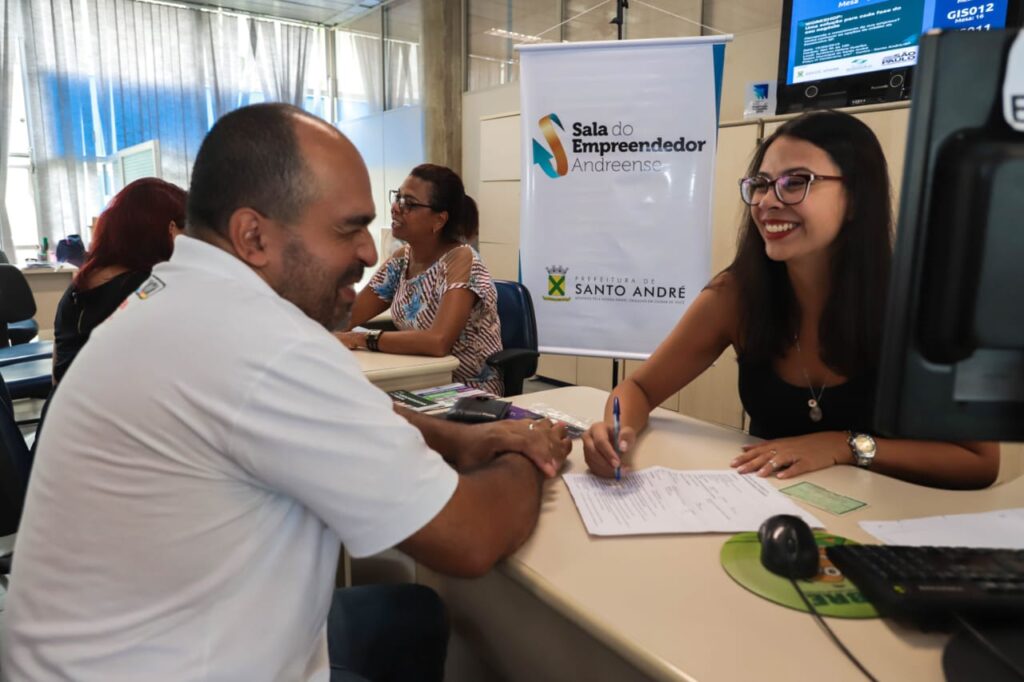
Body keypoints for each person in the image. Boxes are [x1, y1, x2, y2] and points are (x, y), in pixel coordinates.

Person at [2, 103, 570, 681]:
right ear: (253, 236)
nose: (370, 250)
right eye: (348, 228)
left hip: (135, 645)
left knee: (413, 614)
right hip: (181, 662)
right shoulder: (263, 343)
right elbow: (470, 538)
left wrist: (464, 439)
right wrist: (528, 451)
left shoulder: (174, 298)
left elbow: (353, 405)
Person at [583, 110, 999, 490]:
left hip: (889, 526)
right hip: (771, 511)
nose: (767, 202)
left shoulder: (925, 305)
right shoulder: (736, 295)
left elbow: (978, 460)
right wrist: (616, 433)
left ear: (855, 198)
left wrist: (843, 445)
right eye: (761, 184)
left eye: (795, 182)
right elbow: (638, 386)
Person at [336, 164, 505, 395]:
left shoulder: (462, 261)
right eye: (397, 198)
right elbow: (347, 316)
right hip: (416, 376)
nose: (396, 208)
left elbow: (438, 342)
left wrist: (361, 338)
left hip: (466, 390)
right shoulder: (401, 260)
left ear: (439, 220)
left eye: (409, 204)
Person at [52, 177, 186, 384]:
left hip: (60, 410)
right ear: (171, 230)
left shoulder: (79, 285)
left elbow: (57, 370)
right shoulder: (147, 289)